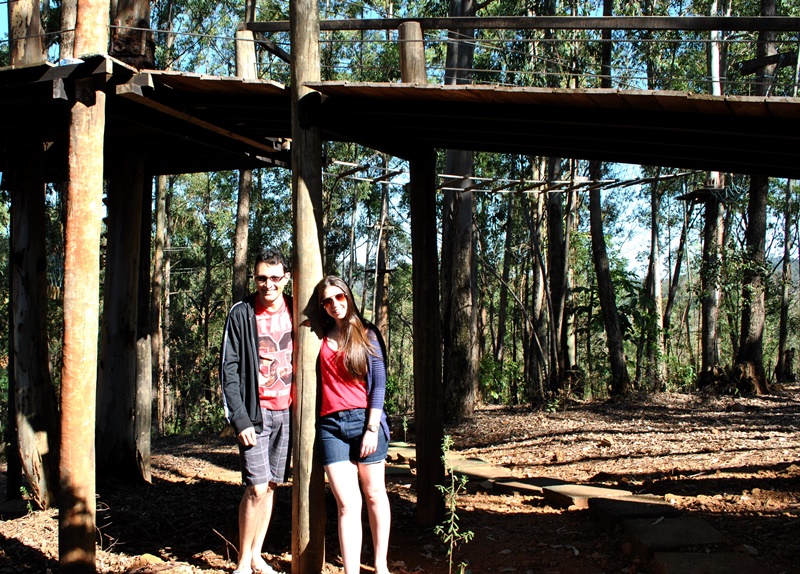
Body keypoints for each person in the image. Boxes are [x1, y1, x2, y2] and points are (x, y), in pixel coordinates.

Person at [221, 248, 293, 574]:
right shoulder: (242, 313)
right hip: (255, 413)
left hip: (287, 412)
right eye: (262, 278)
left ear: (286, 278)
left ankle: (256, 556)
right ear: (255, 278)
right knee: (256, 487)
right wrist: (240, 419)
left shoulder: (296, 310)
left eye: (275, 278)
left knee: (272, 486)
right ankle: (242, 563)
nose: (268, 285)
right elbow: (229, 369)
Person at [317, 275, 391, 574]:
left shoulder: (367, 333)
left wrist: (372, 429)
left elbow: (379, 385)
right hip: (330, 427)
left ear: (348, 296)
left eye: (339, 296)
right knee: (347, 504)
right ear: (322, 306)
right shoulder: (319, 335)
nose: (335, 304)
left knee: (374, 494)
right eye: (327, 301)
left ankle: (380, 565)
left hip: (365, 422)